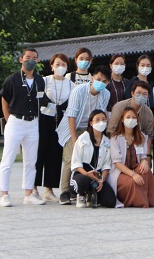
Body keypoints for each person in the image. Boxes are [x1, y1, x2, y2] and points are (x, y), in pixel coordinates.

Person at [0, 48, 47, 207]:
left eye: (34, 58)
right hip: (16, 121)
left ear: (37, 60)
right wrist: (8, 119)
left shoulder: (40, 80)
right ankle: (4, 194)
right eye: (28, 57)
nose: (31, 60)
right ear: (21, 59)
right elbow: (4, 100)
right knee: (8, 158)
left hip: (33, 123)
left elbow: (41, 99)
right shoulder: (12, 80)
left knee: (31, 160)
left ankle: (28, 193)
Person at [57, 68, 110, 205]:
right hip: (72, 127)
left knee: (89, 157)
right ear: (92, 78)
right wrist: (75, 140)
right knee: (71, 157)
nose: (101, 83)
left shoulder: (106, 94)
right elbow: (71, 116)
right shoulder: (78, 91)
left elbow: (100, 114)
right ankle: (65, 192)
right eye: (98, 79)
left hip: (91, 128)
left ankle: (83, 190)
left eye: (104, 81)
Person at [34, 52, 72, 203]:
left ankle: (49, 190)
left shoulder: (71, 84)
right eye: (57, 64)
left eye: (63, 65)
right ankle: (34, 188)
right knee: (39, 153)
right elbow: (37, 100)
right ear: (51, 66)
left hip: (60, 122)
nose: (60, 67)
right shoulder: (44, 81)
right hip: (44, 120)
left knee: (55, 156)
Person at [108, 107, 154, 208]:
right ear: (122, 119)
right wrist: (133, 174)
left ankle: (150, 200)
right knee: (132, 181)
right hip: (121, 172)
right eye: (128, 117)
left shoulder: (141, 137)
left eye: (134, 117)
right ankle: (137, 202)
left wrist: (144, 162)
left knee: (146, 172)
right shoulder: (116, 138)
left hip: (135, 168)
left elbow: (143, 156)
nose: (131, 119)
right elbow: (117, 163)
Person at [69, 109, 117, 208]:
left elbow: (106, 165)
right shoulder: (82, 139)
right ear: (91, 123)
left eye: (104, 120)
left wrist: (101, 179)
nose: (101, 122)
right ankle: (81, 194)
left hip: (98, 174)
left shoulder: (107, 141)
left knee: (110, 202)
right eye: (97, 120)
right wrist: (87, 174)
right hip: (82, 172)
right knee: (82, 182)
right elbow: (76, 163)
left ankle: (92, 194)